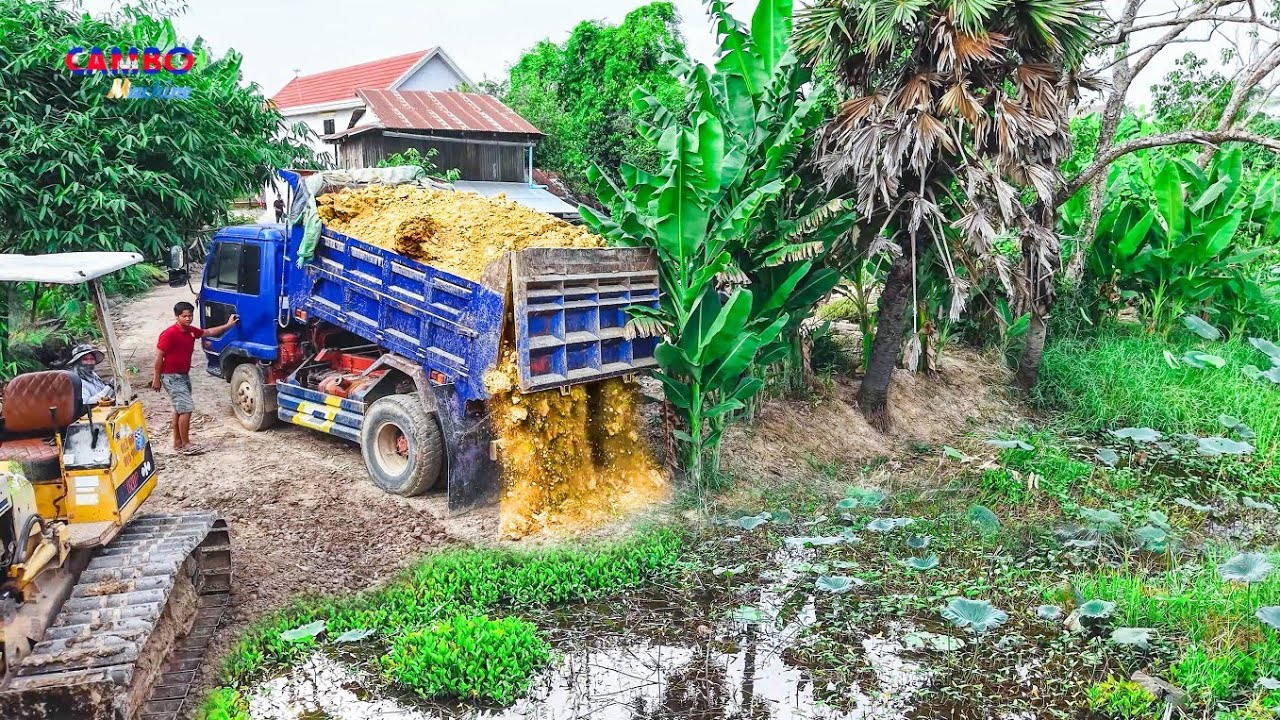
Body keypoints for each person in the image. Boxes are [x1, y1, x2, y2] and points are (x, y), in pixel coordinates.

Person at [151, 301, 237, 455]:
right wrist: (156, 378)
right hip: (171, 376)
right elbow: (159, 357)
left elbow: (208, 332)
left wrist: (228, 325)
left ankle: (178, 442)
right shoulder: (169, 334)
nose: (188, 319)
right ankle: (186, 444)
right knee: (186, 409)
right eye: (184, 316)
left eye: (190, 315)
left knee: (179, 409)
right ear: (177, 316)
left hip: (183, 375)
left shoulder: (191, 331)